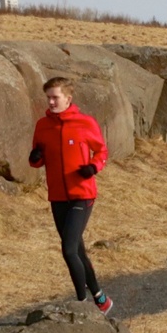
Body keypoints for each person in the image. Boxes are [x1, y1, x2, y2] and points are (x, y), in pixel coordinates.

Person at [28, 75, 112, 314]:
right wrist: (35, 158)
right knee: (78, 250)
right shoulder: (42, 126)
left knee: (68, 249)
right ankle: (100, 299)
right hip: (57, 197)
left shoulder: (85, 123)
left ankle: (81, 303)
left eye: (55, 97)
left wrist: (93, 167)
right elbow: (37, 157)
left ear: (68, 98)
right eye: (48, 98)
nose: (51, 102)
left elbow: (102, 151)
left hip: (82, 196)